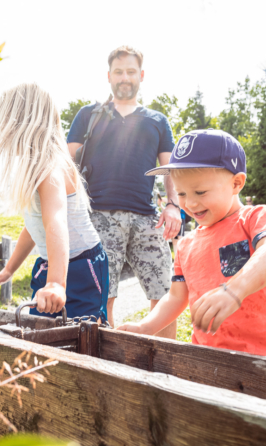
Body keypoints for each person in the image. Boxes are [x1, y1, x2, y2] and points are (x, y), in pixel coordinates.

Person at [117, 129, 266, 360]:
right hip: (206, 359)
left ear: (236, 183)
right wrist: (146, 327)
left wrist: (234, 290)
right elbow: (175, 297)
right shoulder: (186, 244)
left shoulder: (254, 218)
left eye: (200, 192)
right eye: (181, 193)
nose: (190, 203)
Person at [67, 45, 181, 337]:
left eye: (131, 71)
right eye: (119, 71)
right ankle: (110, 367)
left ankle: (165, 368)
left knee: (166, 294)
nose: (125, 77)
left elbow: (170, 170)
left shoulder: (157, 121)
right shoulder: (88, 115)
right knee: (103, 298)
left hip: (148, 218)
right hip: (99, 217)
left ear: (141, 75)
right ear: (109, 76)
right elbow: (65, 165)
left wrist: (173, 206)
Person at [0, 83, 109, 322]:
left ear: (22, 125)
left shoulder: (51, 167)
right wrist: (9, 269)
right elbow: (34, 226)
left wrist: (57, 283)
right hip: (53, 263)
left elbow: (55, 222)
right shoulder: (33, 168)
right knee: (41, 328)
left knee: (82, 334)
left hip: (81, 265)